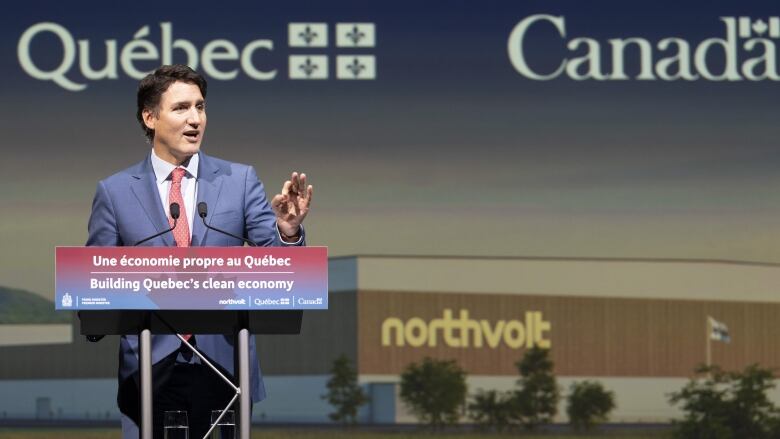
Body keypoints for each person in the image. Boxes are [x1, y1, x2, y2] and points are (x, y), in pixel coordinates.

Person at [86, 64, 313, 438]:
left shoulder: (239, 181)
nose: (195, 119)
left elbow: (280, 271)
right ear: (150, 117)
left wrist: (287, 233)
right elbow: (95, 279)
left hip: (226, 361)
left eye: (201, 107)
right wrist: (96, 312)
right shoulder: (114, 192)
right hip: (150, 366)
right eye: (181, 108)